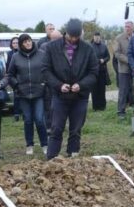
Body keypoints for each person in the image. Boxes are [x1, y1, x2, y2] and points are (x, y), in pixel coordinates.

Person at [41, 19, 99, 159]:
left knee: (76, 129)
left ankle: (73, 156)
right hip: (59, 96)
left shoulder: (87, 49)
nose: (73, 39)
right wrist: (59, 85)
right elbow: (45, 70)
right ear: (65, 33)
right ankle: (51, 158)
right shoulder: (52, 47)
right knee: (56, 128)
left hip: (80, 96)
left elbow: (94, 72)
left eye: (76, 37)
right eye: (71, 36)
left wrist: (81, 84)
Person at [6, 33, 48, 155]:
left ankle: (45, 144)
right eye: (24, 42)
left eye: (29, 41)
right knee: (28, 120)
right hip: (23, 94)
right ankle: (29, 145)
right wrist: (16, 85)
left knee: (40, 119)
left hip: (38, 92)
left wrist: (44, 83)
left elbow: (47, 70)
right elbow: (10, 74)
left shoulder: (41, 54)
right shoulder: (15, 57)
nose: (27, 43)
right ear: (20, 44)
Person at [113, 20, 134, 119]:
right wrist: (129, 61)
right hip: (124, 69)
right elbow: (117, 54)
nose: (127, 28)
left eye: (129, 26)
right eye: (126, 26)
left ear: (133, 27)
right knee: (123, 90)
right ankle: (121, 111)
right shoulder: (119, 38)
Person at [90, 31, 111, 111]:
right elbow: (89, 57)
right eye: (95, 37)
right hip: (94, 71)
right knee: (94, 89)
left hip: (102, 70)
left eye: (98, 37)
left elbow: (108, 57)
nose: (97, 38)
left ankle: (102, 106)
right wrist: (98, 60)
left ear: (100, 37)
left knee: (102, 89)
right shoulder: (91, 46)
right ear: (93, 37)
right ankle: (95, 107)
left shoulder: (104, 46)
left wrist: (104, 60)